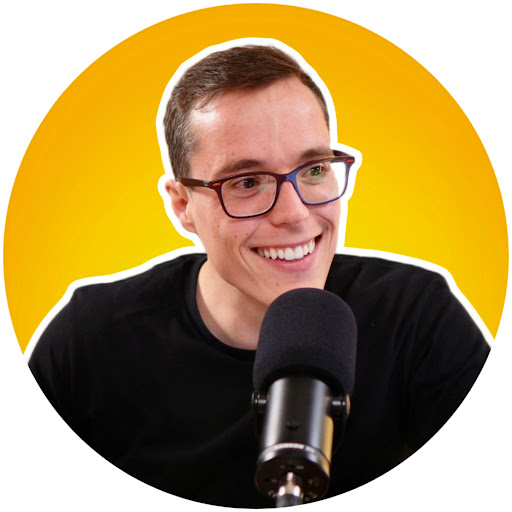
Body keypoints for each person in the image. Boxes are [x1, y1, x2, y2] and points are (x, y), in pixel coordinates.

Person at [28, 41, 490, 508]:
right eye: (247, 182)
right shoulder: (89, 342)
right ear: (182, 205)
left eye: (313, 170)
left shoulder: (418, 318)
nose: (295, 214)